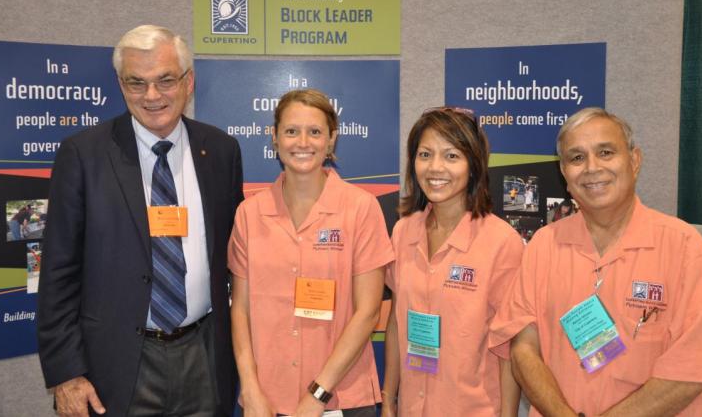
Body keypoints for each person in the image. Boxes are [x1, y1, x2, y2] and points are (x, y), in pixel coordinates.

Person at [37, 25, 243, 416]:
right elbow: (57, 274)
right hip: (115, 365)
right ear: (120, 84)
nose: (152, 96)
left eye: (165, 80)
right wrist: (67, 374)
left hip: (204, 355)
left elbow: (235, 258)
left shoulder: (220, 151)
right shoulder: (83, 155)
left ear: (189, 82)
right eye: (137, 83)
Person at [489, 107, 702, 416]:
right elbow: (523, 348)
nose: (592, 168)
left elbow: (692, 369)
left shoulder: (684, 248)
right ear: (564, 172)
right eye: (576, 158)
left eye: (605, 152)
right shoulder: (543, 246)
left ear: (634, 161)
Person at [228, 89, 393, 416]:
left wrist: (318, 394)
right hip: (266, 401)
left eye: (315, 132)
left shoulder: (361, 209)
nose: (302, 142)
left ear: (331, 139)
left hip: (341, 398)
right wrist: (250, 387)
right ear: (274, 137)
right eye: (291, 131)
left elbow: (368, 313)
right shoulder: (249, 214)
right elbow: (240, 309)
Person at [381, 107, 523, 417]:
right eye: (425, 154)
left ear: (474, 165)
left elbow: (510, 348)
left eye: (451, 156)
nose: (435, 168)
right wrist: (389, 398)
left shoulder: (501, 243)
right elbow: (395, 321)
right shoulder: (404, 231)